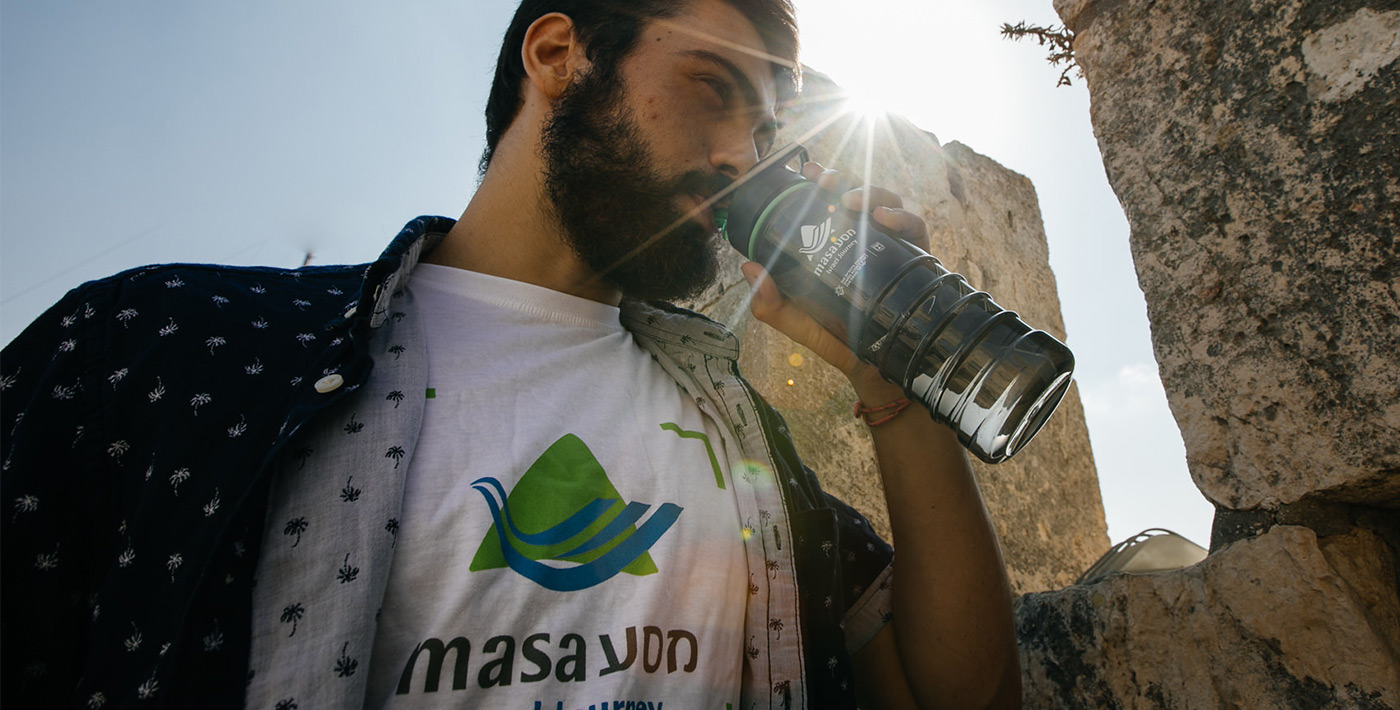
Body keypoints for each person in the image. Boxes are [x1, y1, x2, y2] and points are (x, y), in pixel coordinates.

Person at [0, 0, 1021, 707]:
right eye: (710, 87)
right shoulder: (170, 349)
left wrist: (897, 391)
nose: (736, 159)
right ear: (557, 54)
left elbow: (951, 694)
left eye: (762, 133)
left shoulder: (740, 435)